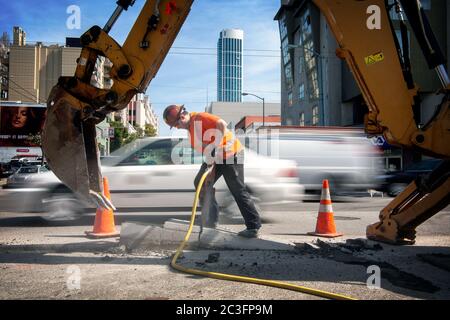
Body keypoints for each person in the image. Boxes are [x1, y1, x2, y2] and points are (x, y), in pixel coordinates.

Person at [163, 104, 262, 238]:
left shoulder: (199, 117)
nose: (177, 128)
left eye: (176, 124)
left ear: (182, 117)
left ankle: (253, 226)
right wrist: (211, 170)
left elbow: (221, 124)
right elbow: (209, 153)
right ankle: (210, 220)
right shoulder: (191, 132)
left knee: (237, 189)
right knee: (201, 182)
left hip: (232, 154)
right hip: (217, 157)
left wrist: (217, 146)